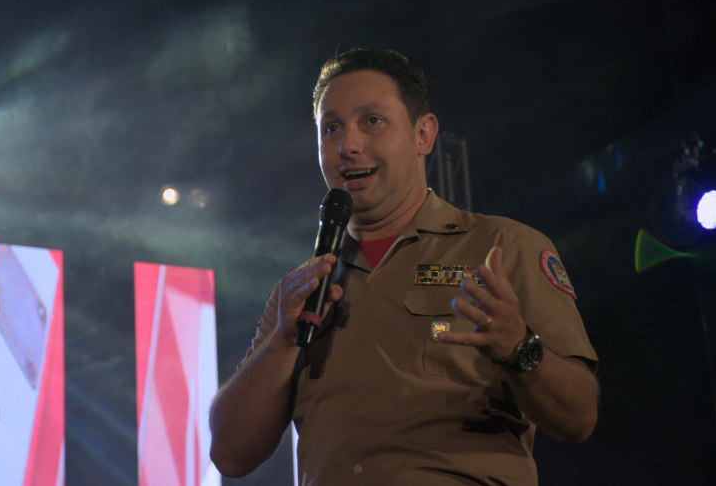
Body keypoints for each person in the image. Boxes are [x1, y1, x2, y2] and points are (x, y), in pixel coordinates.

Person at [209, 49, 599, 485]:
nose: (348, 146)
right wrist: (283, 341)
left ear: (423, 135)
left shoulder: (501, 248)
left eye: (372, 121)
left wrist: (519, 347)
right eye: (331, 128)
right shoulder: (300, 291)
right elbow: (229, 454)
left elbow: (580, 417)